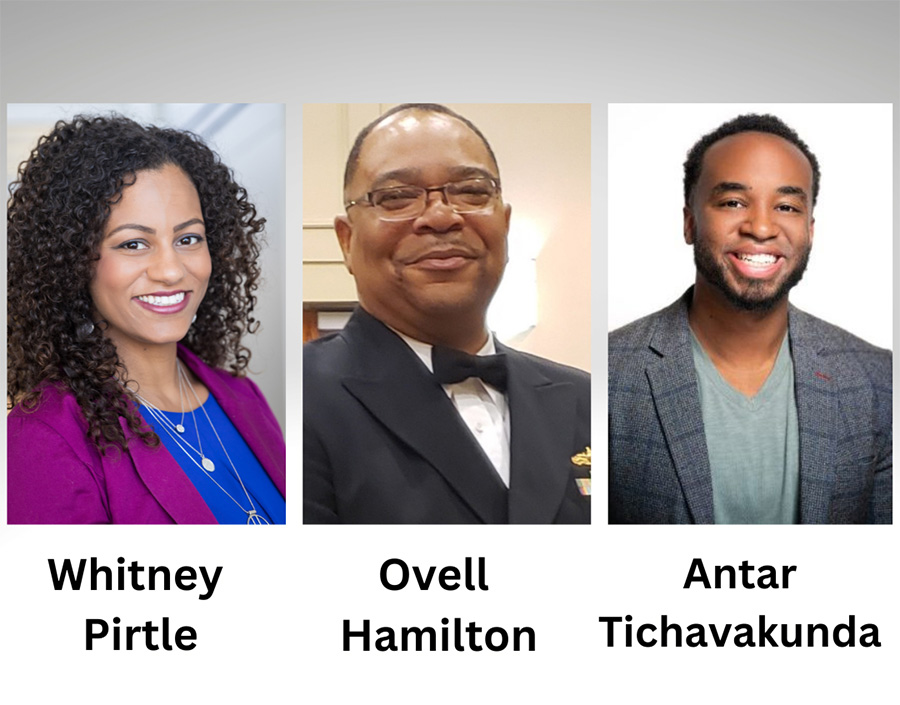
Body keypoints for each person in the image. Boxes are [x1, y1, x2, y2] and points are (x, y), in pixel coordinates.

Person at [303, 103, 590, 524]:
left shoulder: (587, 400)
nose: (440, 217)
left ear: (505, 226)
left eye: (471, 191)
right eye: (397, 197)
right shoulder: (295, 400)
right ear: (346, 242)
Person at [608, 113, 891, 524]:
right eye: (733, 202)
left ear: (810, 229)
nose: (761, 227)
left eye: (787, 206)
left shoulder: (879, 381)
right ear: (690, 222)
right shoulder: (611, 375)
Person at [7, 114, 286, 524]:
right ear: (70, 262)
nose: (171, 270)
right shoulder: (42, 438)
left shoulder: (244, 398)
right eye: (134, 243)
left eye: (188, 238)